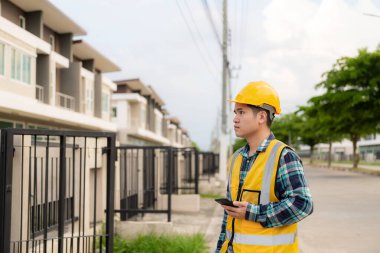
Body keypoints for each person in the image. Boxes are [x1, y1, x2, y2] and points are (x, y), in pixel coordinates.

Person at [215, 81, 313, 253]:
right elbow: (229, 216)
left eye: (241, 112)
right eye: (235, 112)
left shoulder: (283, 156)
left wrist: (252, 212)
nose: (235, 118)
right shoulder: (237, 158)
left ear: (261, 117)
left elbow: (302, 204)